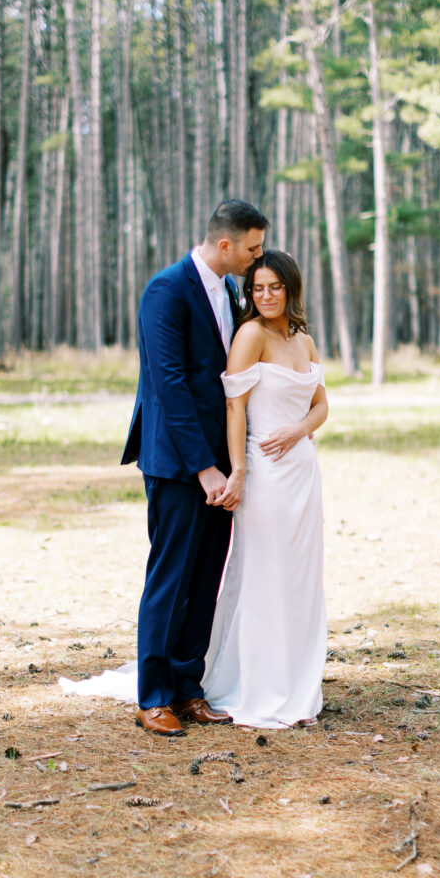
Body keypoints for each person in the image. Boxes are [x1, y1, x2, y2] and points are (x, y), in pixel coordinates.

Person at [120, 200, 269, 736]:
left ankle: (187, 687)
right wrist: (205, 468)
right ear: (225, 244)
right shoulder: (166, 289)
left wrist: (235, 464)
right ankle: (153, 695)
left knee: (205, 579)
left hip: (223, 467)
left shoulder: (230, 290)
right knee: (170, 579)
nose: (258, 259)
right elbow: (170, 385)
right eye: (252, 248)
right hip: (179, 465)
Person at [202, 249, 328, 728]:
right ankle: (260, 685)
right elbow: (236, 408)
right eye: (257, 288)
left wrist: (299, 431)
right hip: (263, 472)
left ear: (290, 288)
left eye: (275, 286)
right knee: (264, 574)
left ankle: (298, 682)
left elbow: (321, 407)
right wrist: (238, 471)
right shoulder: (249, 335)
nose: (266, 295)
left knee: (300, 577)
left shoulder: (304, 340)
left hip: (301, 472)